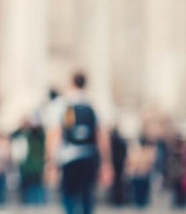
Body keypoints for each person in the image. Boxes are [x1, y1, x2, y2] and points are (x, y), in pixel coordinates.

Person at [45, 72, 112, 214]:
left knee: (69, 196)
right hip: (89, 156)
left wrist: (50, 161)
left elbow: (55, 135)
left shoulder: (62, 104)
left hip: (69, 157)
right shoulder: (95, 103)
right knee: (87, 196)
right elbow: (102, 136)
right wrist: (106, 162)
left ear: (71, 82)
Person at [13, 113, 47, 205]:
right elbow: (13, 135)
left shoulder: (39, 135)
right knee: (26, 194)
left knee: (37, 193)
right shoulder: (25, 135)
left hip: (36, 168)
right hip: (27, 169)